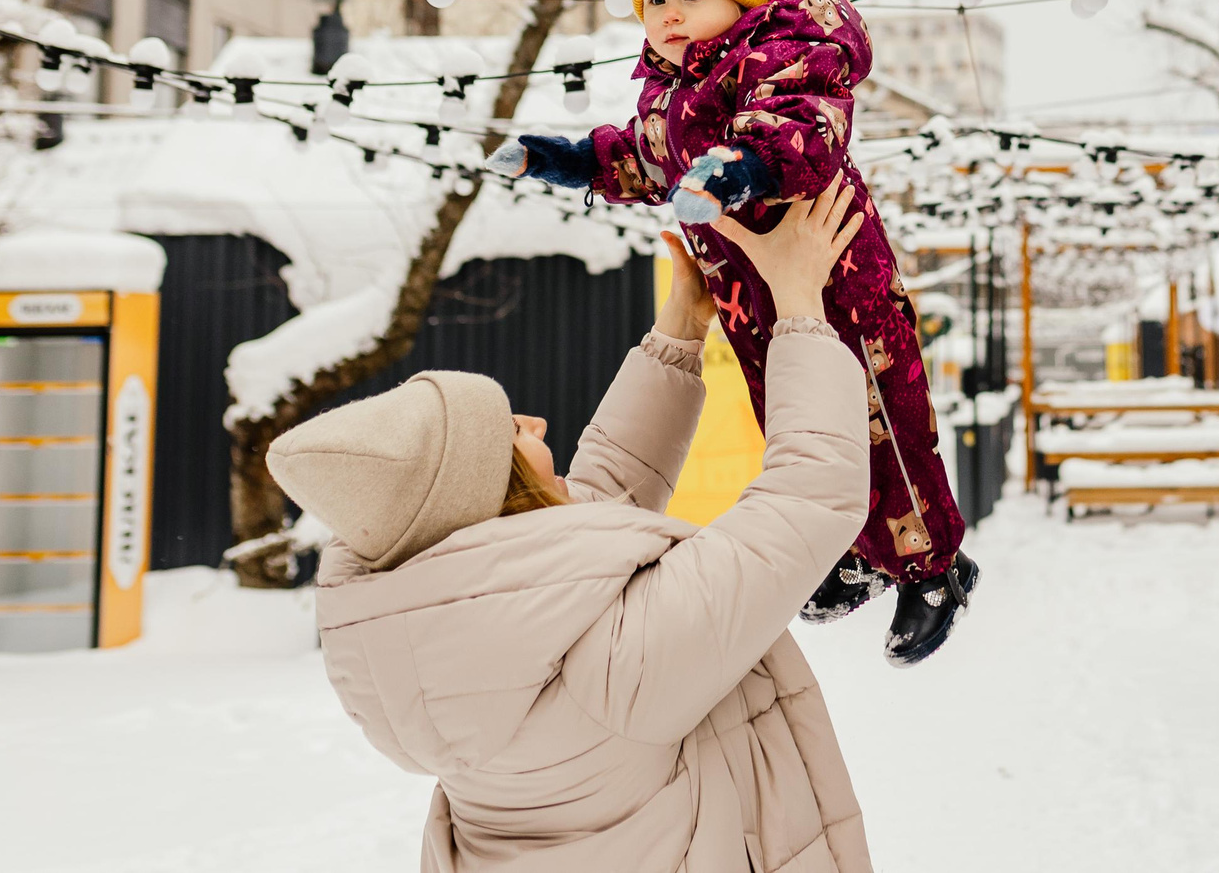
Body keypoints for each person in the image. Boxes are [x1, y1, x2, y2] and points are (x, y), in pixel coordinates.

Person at [268, 181, 877, 873]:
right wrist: (800, 304)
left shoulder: (449, 647)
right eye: (510, 430)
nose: (537, 423)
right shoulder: (612, 665)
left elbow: (581, 536)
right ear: (495, 493)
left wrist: (679, 328)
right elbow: (808, 497)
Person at [497, 0, 975, 665]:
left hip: (834, 273)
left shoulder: (784, 50)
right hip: (749, 295)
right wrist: (568, 159)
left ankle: (933, 565)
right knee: (794, 424)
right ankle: (860, 550)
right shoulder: (672, 91)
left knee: (879, 417)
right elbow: (644, 157)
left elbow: (801, 130)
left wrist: (737, 169)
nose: (670, 13)